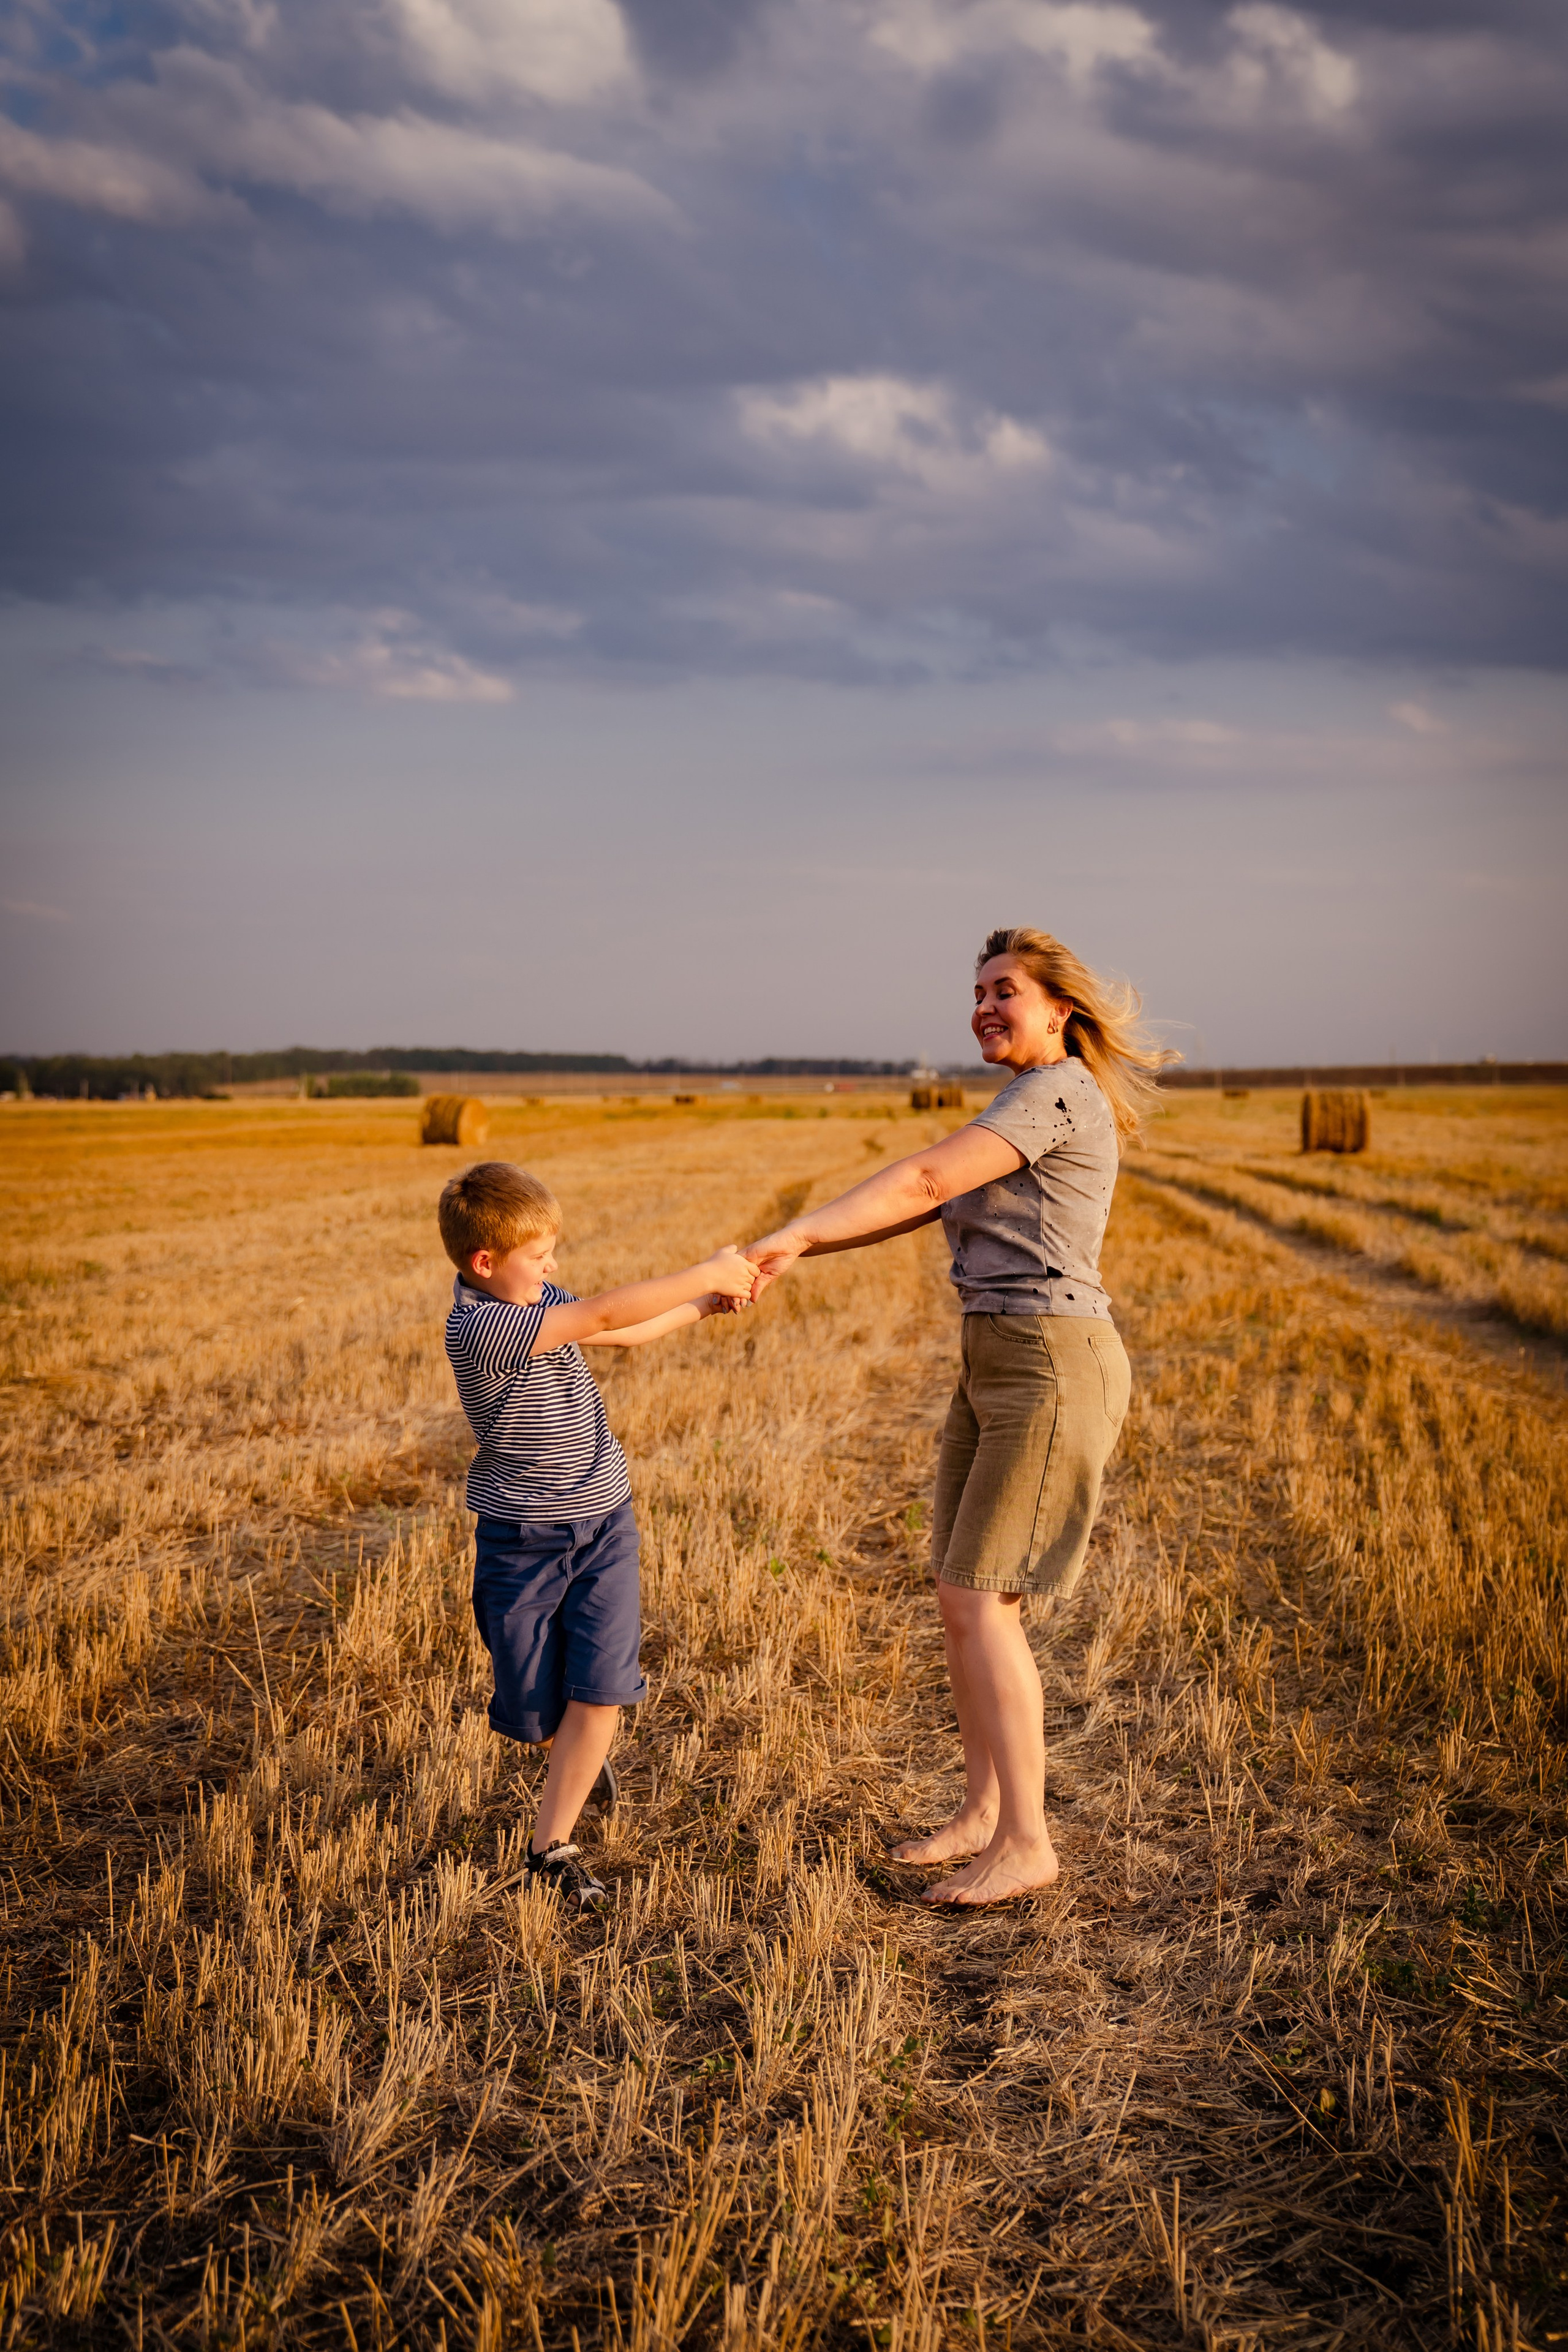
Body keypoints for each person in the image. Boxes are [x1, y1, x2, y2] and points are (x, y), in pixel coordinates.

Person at [744, 926, 1170, 1907]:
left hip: (1050, 1361)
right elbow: (924, 1206)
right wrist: (800, 1250)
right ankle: (984, 1813)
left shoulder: (1056, 1092)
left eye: (1004, 990)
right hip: (995, 1357)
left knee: (985, 1601)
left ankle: (1028, 1842)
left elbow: (929, 1179)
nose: (983, 1006)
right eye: (977, 992)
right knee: (958, 1592)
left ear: (1060, 1008)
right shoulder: (1022, 1100)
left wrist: (797, 1229)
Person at [439, 1161, 755, 1909]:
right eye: (540, 1255)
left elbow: (624, 1332)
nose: (553, 1267)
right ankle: (570, 1752)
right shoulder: (481, 1326)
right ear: (484, 1262)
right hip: (523, 1539)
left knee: (602, 1687)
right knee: (531, 1712)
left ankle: (550, 1848)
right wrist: (704, 1270)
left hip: (605, 1518)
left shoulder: (531, 1296)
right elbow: (605, 1316)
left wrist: (704, 1304)